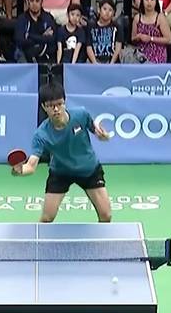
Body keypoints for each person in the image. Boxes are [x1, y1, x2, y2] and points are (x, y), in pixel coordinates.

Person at [11, 82, 113, 223]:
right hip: (61, 173)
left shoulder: (81, 114)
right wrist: (19, 170)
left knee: (106, 215)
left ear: (65, 102)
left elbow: (95, 130)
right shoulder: (41, 134)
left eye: (59, 104)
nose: (56, 109)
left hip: (89, 170)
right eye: (51, 106)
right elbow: (31, 166)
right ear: (43, 107)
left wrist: (103, 136)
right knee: (46, 219)